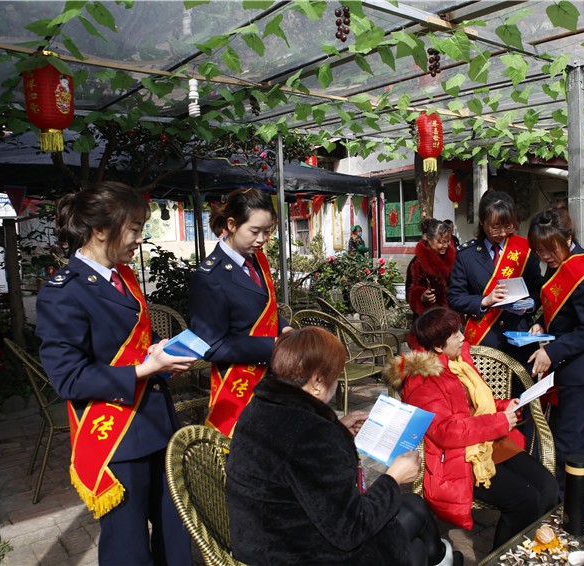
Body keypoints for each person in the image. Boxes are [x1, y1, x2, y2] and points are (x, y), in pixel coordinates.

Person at [36, 182, 193, 565]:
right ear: (100, 229)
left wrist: (159, 353)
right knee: (128, 548)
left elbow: (134, 342)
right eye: (135, 229)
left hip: (157, 423)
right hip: (116, 438)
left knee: (175, 535)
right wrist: (144, 369)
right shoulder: (63, 292)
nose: (140, 238)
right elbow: (68, 379)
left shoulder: (123, 276)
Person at [227, 326, 461, 565]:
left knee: (414, 506)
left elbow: (293, 458)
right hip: (300, 553)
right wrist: (394, 478)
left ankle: (442, 558)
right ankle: (441, 558)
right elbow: (351, 527)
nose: (337, 382)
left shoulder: (259, 407)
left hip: (269, 534)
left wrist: (337, 428)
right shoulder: (312, 436)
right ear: (317, 382)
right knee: (417, 546)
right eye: (336, 376)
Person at [384, 307, 559, 551]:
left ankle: (532, 548)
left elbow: (474, 403)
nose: (463, 338)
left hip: (489, 440)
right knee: (524, 499)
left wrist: (505, 406)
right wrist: (498, 422)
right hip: (459, 457)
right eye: (455, 334)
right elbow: (446, 431)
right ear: (438, 346)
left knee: (549, 487)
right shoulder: (422, 379)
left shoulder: (457, 362)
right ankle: (502, 558)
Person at [189, 188, 292, 437]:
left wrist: (285, 328)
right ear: (232, 225)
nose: (261, 239)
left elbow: (264, 310)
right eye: (254, 231)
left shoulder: (257, 260)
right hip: (239, 384)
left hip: (272, 378)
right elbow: (211, 345)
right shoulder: (210, 276)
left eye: (267, 231)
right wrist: (273, 346)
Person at [527, 205, 584, 497]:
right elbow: (559, 312)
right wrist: (540, 323)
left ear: (568, 238)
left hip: (583, 369)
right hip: (568, 364)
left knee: (567, 444)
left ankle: (567, 508)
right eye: (539, 251)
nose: (545, 257)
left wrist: (551, 351)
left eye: (550, 249)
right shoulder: (559, 263)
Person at [447, 190, 543, 364]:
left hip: (520, 336)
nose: (503, 233)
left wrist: (529, 304)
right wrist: (485, 301)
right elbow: (455, 297)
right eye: (495, 227)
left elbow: (538, 288)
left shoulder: (525, 249)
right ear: (482, 221)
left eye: (508, 226)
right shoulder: (466, 255)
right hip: (484, 338)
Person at [405, 217, 456, 332]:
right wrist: (421, 296)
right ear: (429, 239)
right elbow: (409, 293)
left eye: (447, 241)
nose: (445, 245)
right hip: (427, 321)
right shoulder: (417, 263)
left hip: (452, 316)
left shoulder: (453, 259)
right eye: (441, 242)